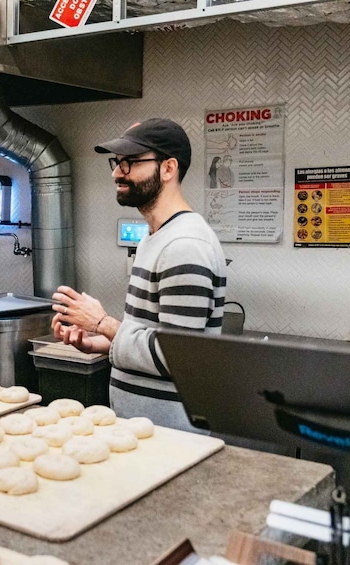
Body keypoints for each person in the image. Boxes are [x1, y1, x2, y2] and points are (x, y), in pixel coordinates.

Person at [50, 118, 227, 431]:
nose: (118, 172)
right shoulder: (154, 237)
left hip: (173, 434)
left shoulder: (185, 245)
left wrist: (102, 322)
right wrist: (98, 341)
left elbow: (178, 357)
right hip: (147, 429)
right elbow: (151, 335)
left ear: (168, 168)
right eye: (117, 162)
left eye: (131, 162)